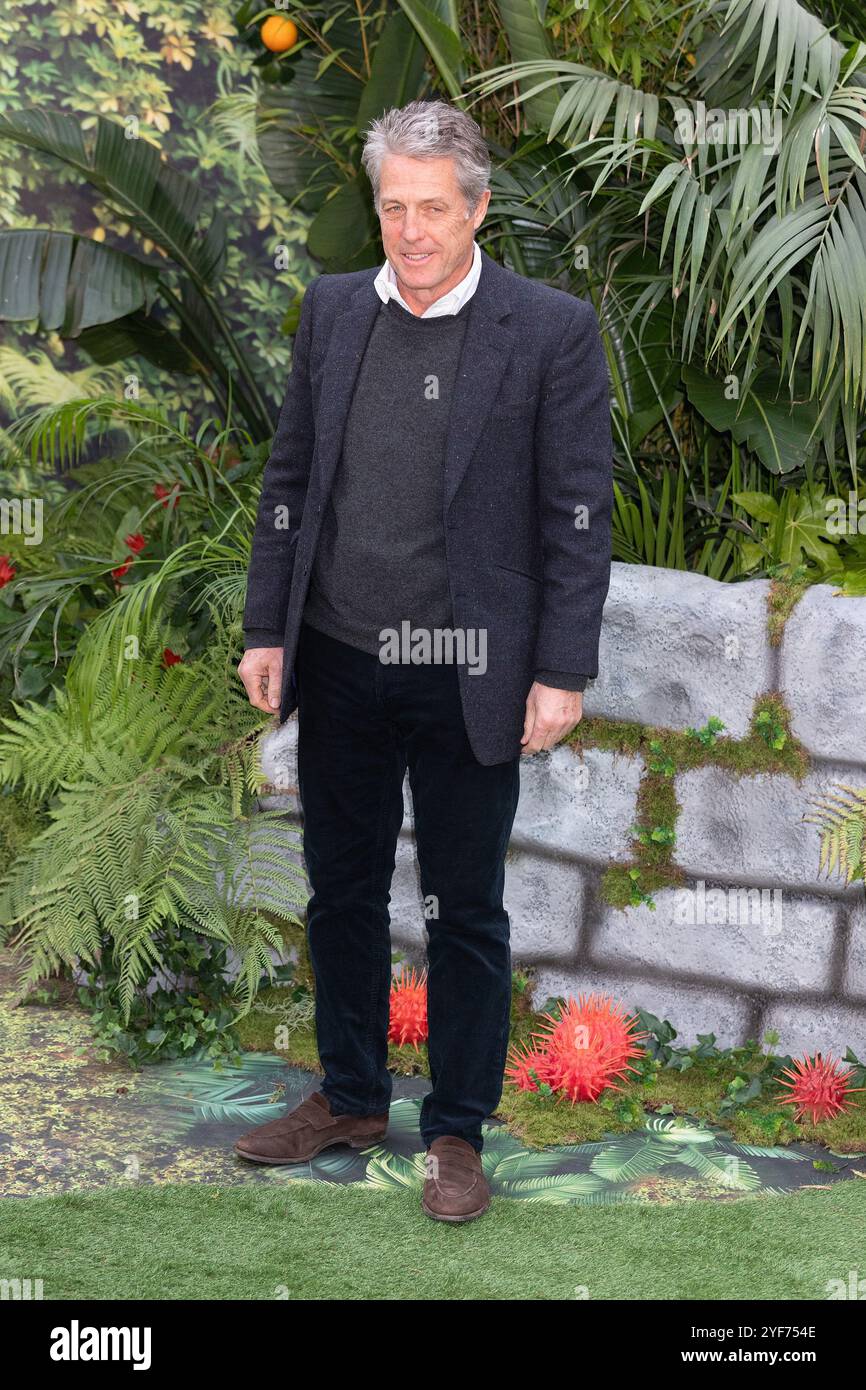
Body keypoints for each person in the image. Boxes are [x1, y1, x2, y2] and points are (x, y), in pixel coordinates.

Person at [235, 98, 613, 1222]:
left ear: (477, 206)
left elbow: (574, 513)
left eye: (432, 209)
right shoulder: (333, 311)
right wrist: (269, 627)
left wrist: (562, 669)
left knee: (465, 908)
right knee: (339, 891)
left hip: (467, 669)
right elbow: (289, 480)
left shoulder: (545, 330)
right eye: (393, 207)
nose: (410, 230)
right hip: (343, 658)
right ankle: (349, 1095)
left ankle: (455, 1129)